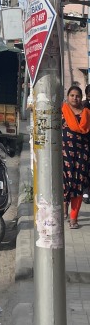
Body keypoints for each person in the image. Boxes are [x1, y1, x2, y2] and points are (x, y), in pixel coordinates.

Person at [62, 84, 90, 228]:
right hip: (64, 154)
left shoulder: (86, 113)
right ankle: (64, 211)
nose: (75, 98)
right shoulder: (62, 112)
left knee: (78, 186)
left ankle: (74, 218)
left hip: (82, 155)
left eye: (77, 96)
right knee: (65, 184)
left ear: (81, 98)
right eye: (72, 95)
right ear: (68, 97)